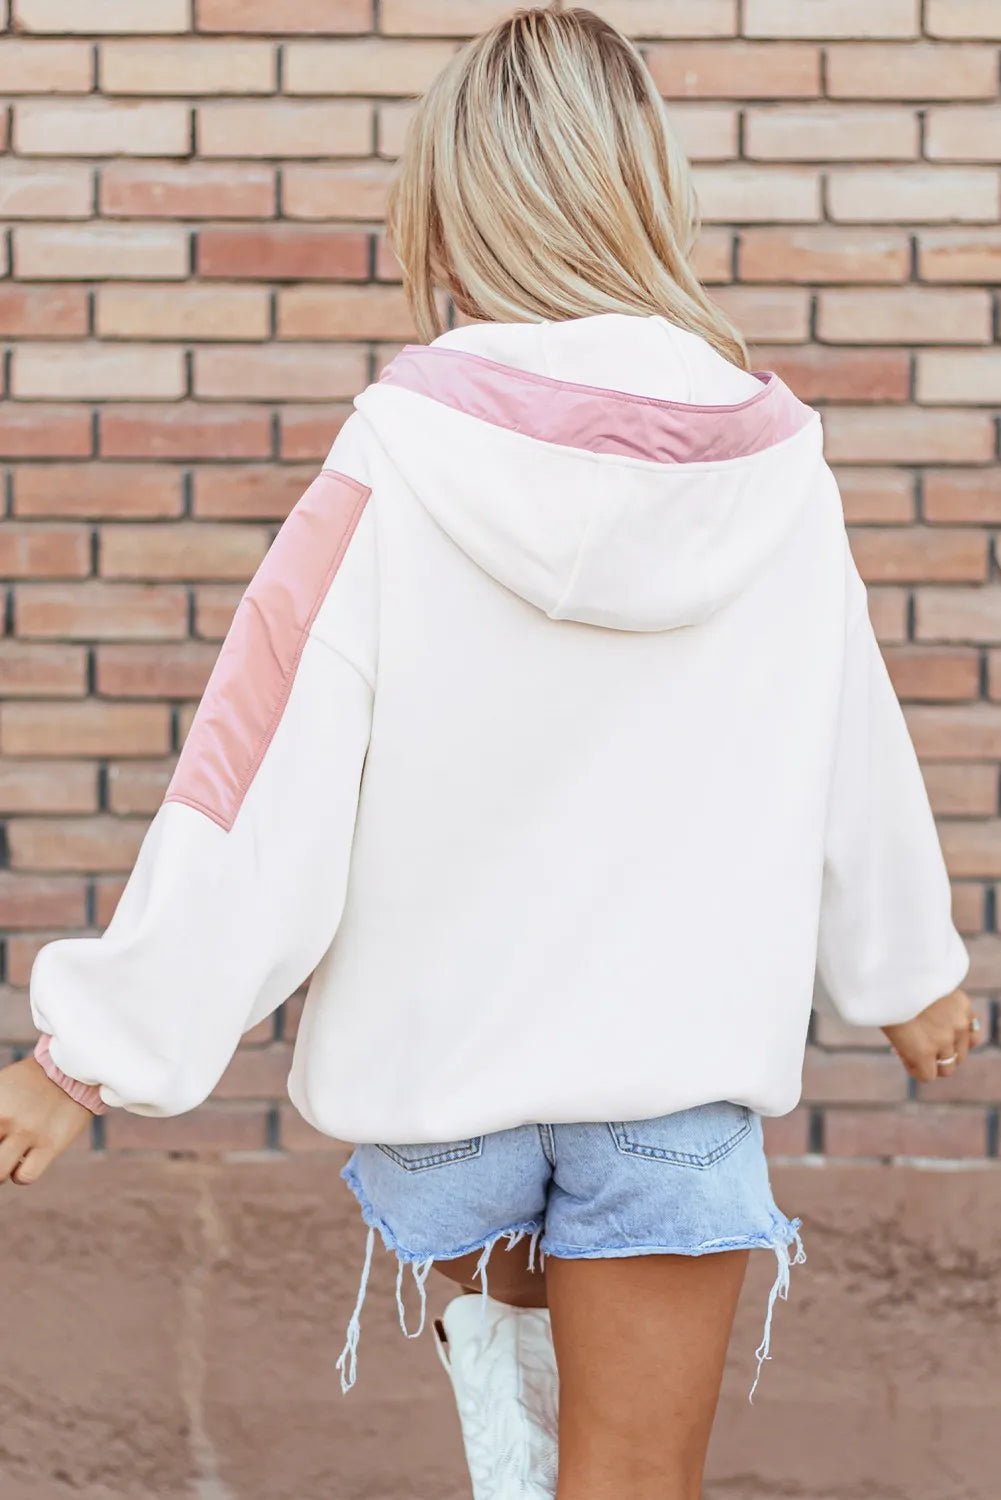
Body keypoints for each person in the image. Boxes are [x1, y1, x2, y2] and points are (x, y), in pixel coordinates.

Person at [0, 7, 979, 1499]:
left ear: (456, 199)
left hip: (450, 1085)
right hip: (671, 1083)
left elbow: (258, 766)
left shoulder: (398, 451)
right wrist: (906, 975)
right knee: (630, 1482)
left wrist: (91, 1057)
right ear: (645, 185)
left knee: (516, 1474)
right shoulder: (778, 467)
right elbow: (853, 741)